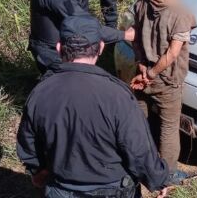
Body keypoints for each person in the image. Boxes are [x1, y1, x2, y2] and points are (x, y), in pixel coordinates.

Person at [17, 15, 173, 198]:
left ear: (59, 48)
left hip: (61, 187)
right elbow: (138, 148)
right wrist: (157, 179)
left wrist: (38, 171)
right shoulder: (118, 95)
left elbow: (29, 143)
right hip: (113, 190)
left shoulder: (40, 93)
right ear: (100, 48)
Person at [129, 0, 196, 180]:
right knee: (168, 128)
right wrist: (152, 73)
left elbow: (134, 37)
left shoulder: (142, 2)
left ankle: (136, 163)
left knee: (140, 121)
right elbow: (173, 53)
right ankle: (166, 175)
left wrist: (141, 66)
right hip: (166, 80)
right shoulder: (180, 12)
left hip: (141, 74)